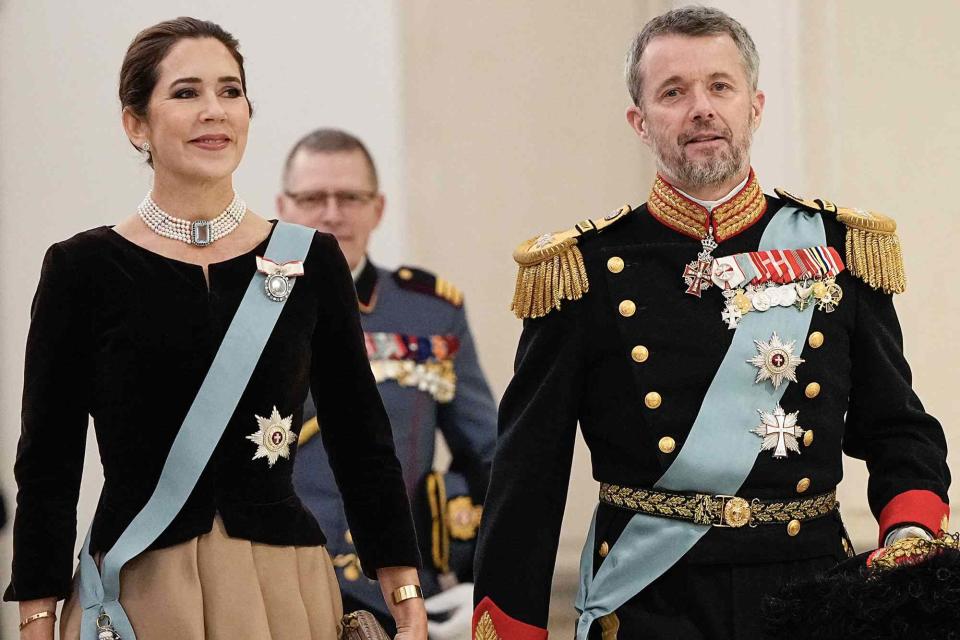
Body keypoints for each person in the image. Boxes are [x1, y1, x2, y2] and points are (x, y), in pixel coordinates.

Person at [472, 6, 951, 640]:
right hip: (649, 601)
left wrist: (910, 532)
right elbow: (527, 475)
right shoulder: (582, 271)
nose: (701, 108)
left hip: (807, 594)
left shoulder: (839, 249)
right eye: (674, 92)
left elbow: (897, 425)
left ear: (755, 105)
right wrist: (510, 626)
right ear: (640, 123)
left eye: (719, 86)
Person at [4, 18, 426, 640]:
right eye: (185, 93)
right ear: (135, 124)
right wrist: (37, 615)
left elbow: (361, 437)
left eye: (230, 91)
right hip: (142, 588)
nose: (214, 111)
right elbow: (48, 461)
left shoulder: (310, 259)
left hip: (282, 587)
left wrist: (403, 591)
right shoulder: (82, 268)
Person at [277, 129, 497, 639]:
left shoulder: (429, 312)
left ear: (377, 209)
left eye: (350, 198)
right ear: (283, 208)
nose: (332, 214)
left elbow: (491, 458)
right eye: (312, 199)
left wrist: (475, 575)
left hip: (398, 595)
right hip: (279, 588)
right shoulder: (244, 314)